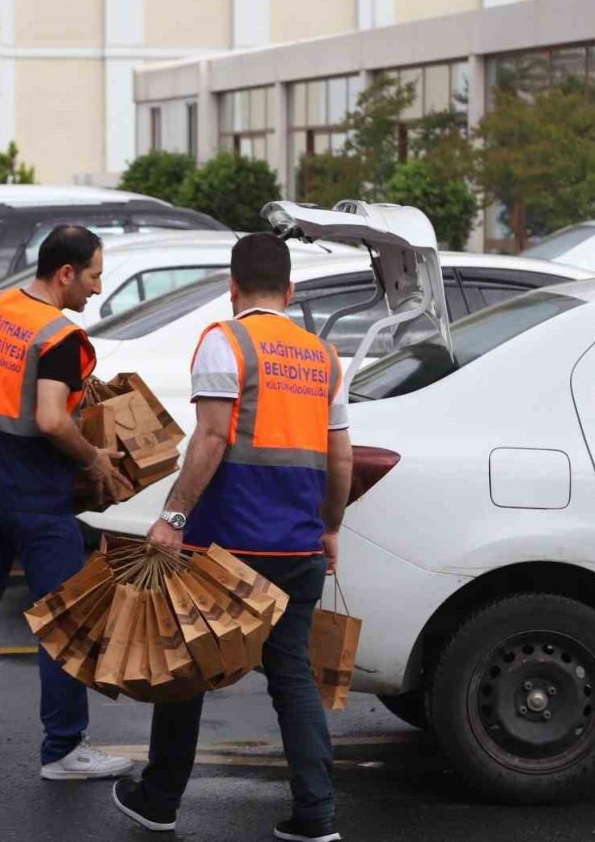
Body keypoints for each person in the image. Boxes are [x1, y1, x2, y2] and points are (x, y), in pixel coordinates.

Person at [112, 233, 354, 842]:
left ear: (233, 286)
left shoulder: (226, 342)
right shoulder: (323, 357)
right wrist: (329, 527)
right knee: (293, 678)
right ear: (292, 291)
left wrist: (173, 518)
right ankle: (316, 813)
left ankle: (160, 800)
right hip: (297, 549)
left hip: (226, 551)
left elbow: (213, 438)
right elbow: (341, 457)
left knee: (186, 669)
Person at [0, 225, 136, 782]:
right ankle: (64, 751)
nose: (96, 287)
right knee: (62, 624)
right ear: (65, 274)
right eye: (93, 275)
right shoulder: (60, 338)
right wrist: (93, 459)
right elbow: (48, 418)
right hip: (37, 499)